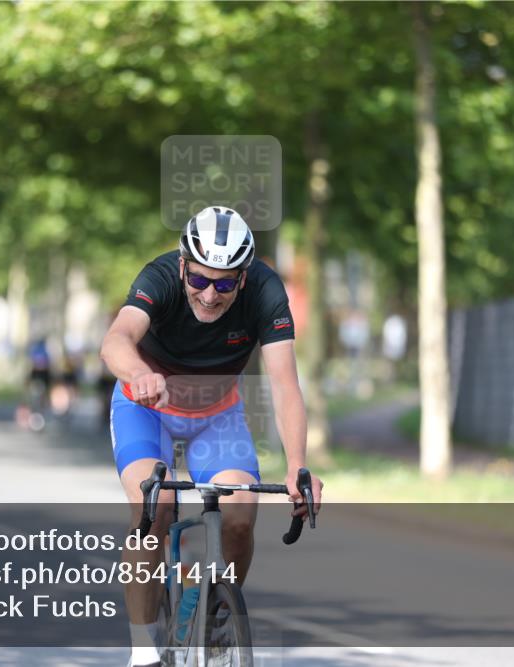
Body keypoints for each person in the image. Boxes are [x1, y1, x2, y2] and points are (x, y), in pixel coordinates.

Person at [100, 206, 324, 667]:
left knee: (241, 515)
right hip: (148, 409)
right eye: (200, 280)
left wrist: (298, 465)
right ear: (183, 265)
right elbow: (116, 339)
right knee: (153, 509)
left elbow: (284, 383)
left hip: (215, 415)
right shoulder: (160, 276)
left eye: (224, 284)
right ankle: (143, 653)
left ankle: (216, 617)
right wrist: (141, 374)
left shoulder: (265, 291)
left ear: (243, 278)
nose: (209, 294)